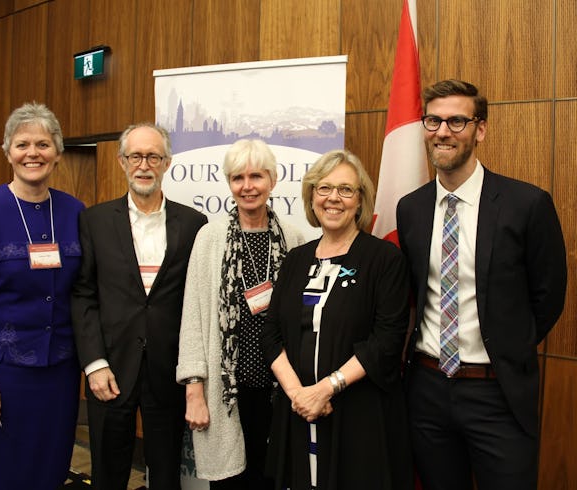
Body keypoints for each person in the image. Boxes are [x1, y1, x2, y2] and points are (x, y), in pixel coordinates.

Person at [396, 79, 567, 490]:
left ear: (481, 129)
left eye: (457, 121)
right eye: (433, 120)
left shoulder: (526, 204)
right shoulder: (412, 209)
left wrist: (509, 345)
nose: (443, 131)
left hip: (498, 394)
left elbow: (549, 295)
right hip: (428, 390)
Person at [0, 102, 84, 489]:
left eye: (43, 144)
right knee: (3, 471)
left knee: (51, 465)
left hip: (60, 371)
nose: (33, 153)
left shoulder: (74, 211)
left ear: (57, 153)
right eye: (23, 144)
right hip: (3, 373)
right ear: (8, 151)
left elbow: (83, 291)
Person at [260, 149, 413, 490]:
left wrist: (326, 389)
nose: (333, 198)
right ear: (311, 196)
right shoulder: (296, 259)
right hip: (299, 411)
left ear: (360, 201)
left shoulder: (384, 259)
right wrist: (299, 394)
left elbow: (386, 341)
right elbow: (271, 334)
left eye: (346, 190)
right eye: (324, 188)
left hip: (358, 414)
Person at [71, 122, 207, 490]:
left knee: (166, 473)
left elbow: (196, 301)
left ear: (167, 162)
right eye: (135, 156)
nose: (144, 164)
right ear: (121, 161)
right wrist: (94, 363)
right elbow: (83, 295)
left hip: (168, 368)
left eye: (153, 156)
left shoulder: (195, 224)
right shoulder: (94, 221)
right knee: (108, 471)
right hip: (110, 369)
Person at [176, 139, 305, 489]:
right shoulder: (210, 238)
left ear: (273, 180)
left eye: (256, 176)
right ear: (229, 183)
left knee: (274, 477)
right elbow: (193, 319)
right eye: (238, 178)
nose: (247, 186)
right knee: (231, 480)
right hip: (227, 392)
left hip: (280, 389)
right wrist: (194, 390)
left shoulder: (294, 240)